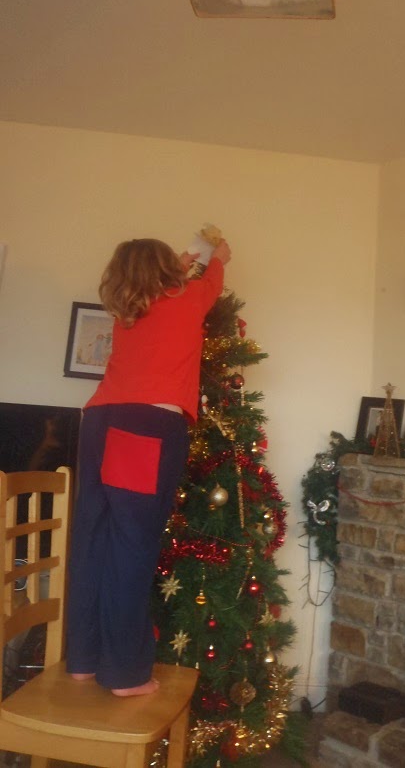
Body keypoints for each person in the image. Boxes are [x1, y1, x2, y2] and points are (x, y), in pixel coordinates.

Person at [65, 236, 231, 696]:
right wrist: (217, 255)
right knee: (131, 548)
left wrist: (183, 259)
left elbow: (162, 280)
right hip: (147, 426)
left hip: (99, 422)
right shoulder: (188, 296)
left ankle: (83, 660)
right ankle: (124, 674)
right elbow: (211, 282)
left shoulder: (128, 310)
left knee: (93, 541)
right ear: (168, 272)